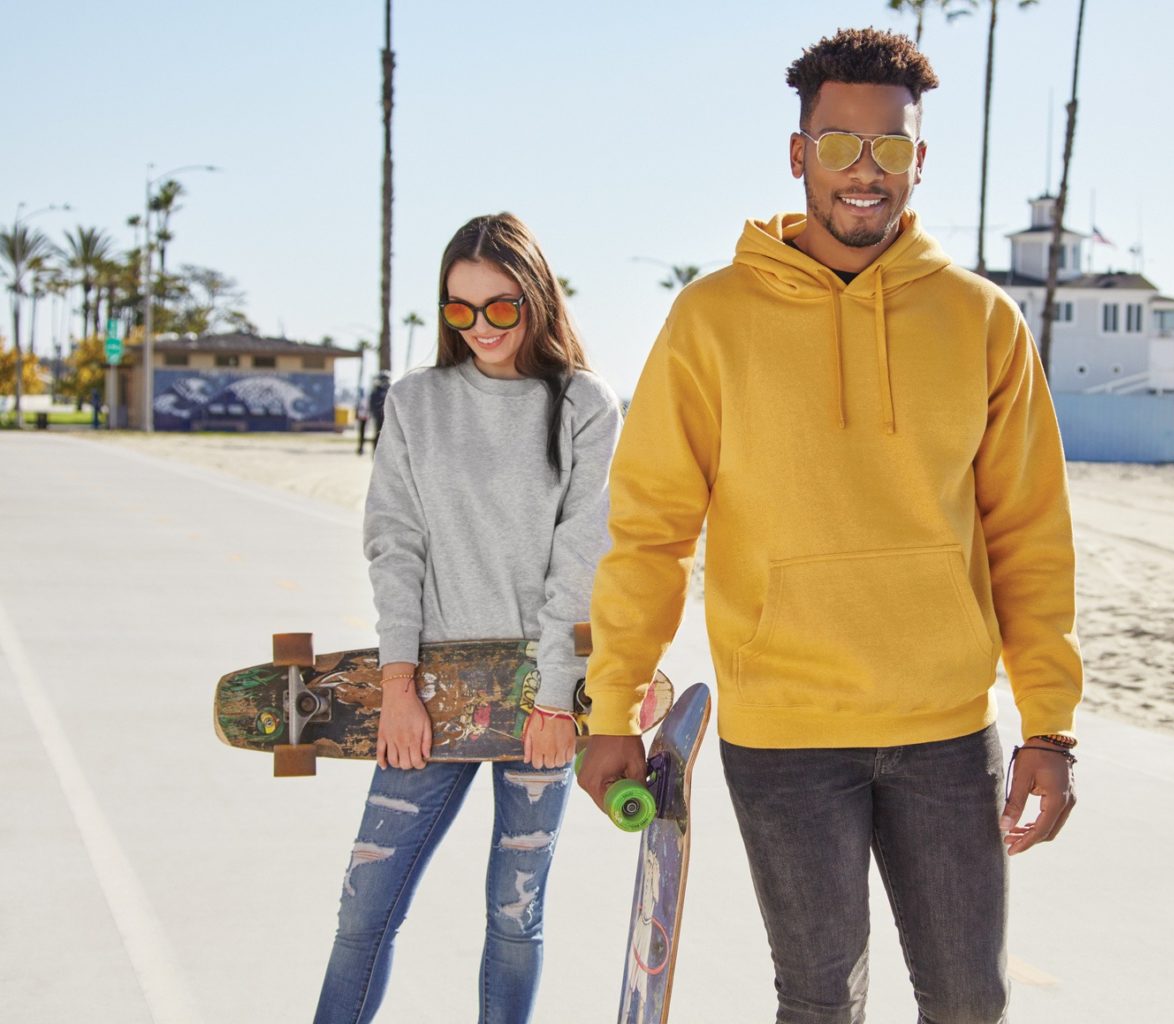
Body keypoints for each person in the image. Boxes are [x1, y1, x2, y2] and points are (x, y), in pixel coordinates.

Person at [578, 28, 1082, 1023]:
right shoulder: (712, 319)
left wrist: (1051, 727)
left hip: (946, 728)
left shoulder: (981, 322)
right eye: (840, 144)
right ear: (798, 151)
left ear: (920, 161)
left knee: (971, 1000)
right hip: (786, 734)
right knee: (817, 999)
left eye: (890, 148)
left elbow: (1028, 531)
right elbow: (650, 531)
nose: (866, 172)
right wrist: (609, 709)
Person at [314, 212, 623, 1024]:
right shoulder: (416, 401)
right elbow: (395, 545)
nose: (480, 326)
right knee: (364, 912)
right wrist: (397, 684)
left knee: (515, 919)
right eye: (460, 309)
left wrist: (558, 698)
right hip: (431, 695)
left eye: (499, 307)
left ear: (537, 299)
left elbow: (580, 564)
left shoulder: (584, 406)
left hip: (540, 701)